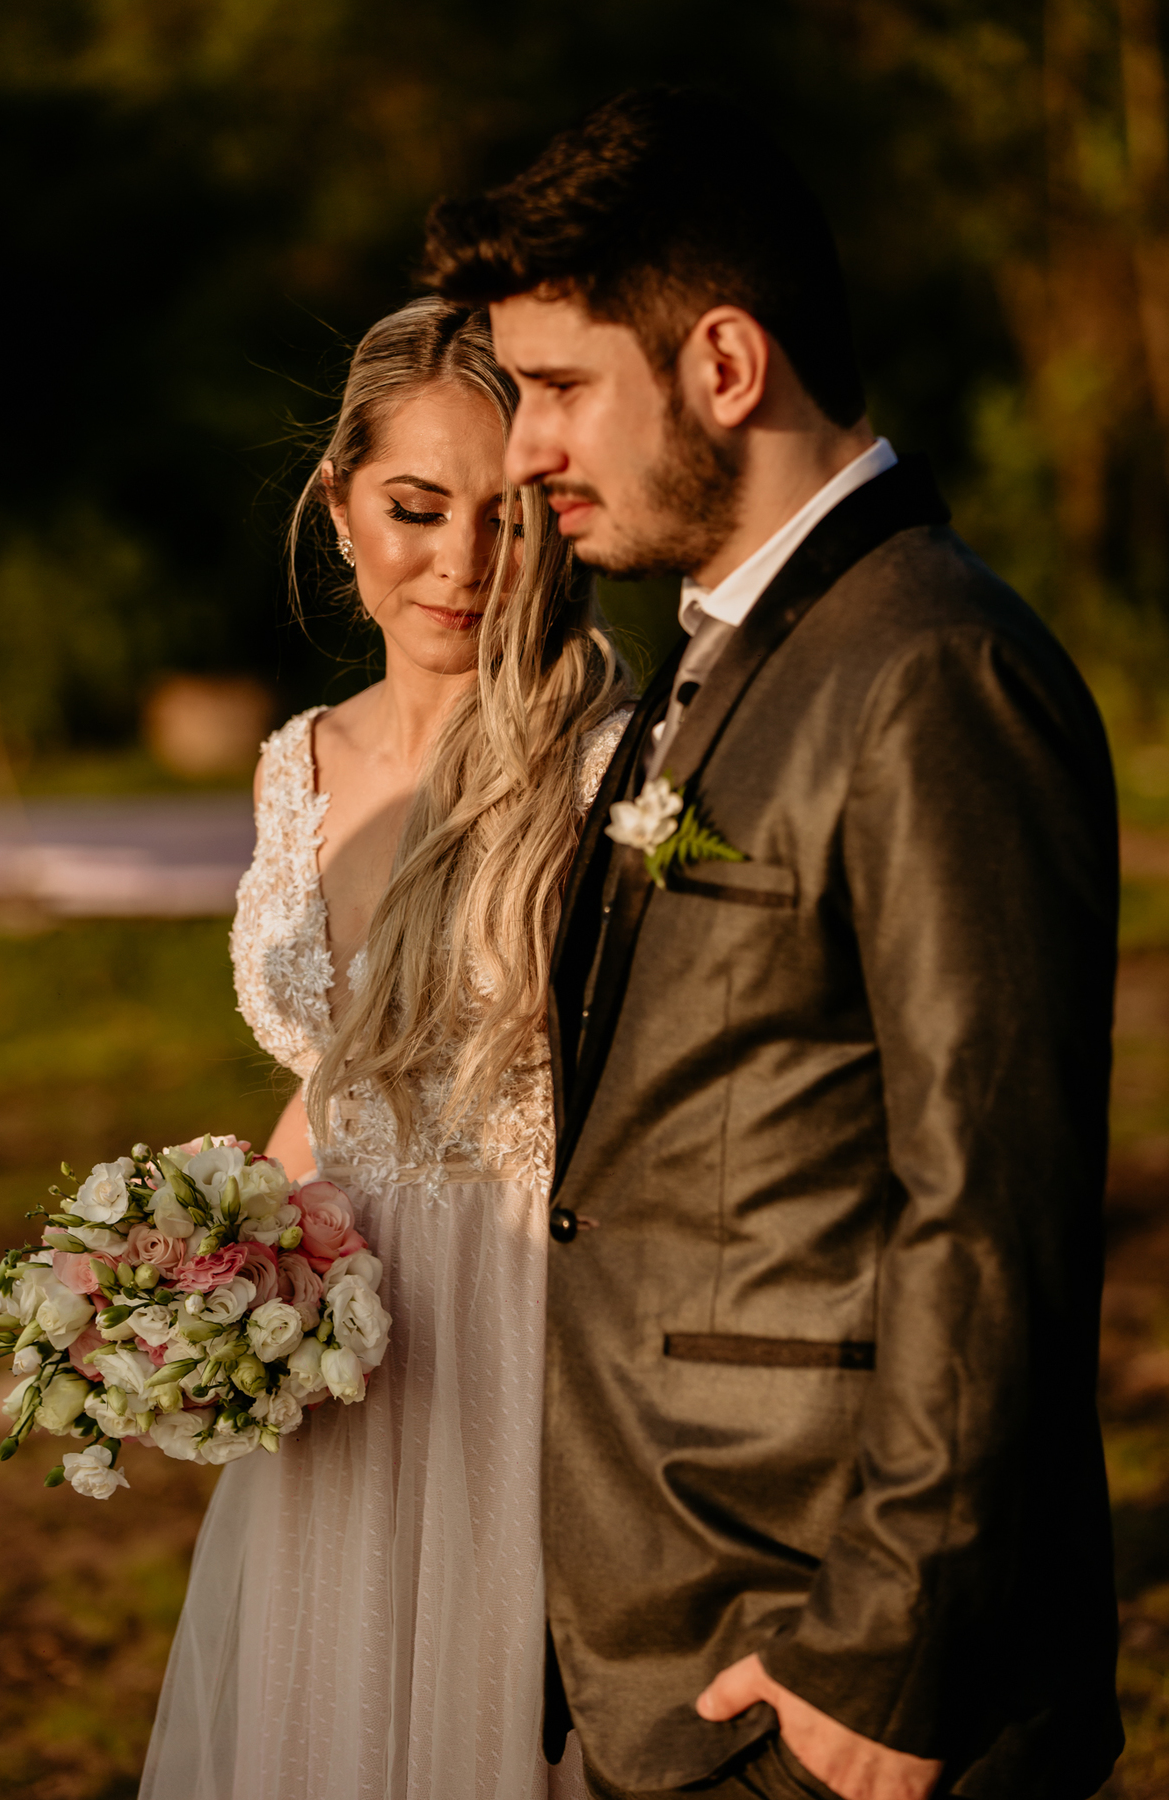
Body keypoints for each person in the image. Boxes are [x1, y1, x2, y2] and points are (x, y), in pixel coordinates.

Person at [423, 87, 1124, 1800]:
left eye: (561, 389)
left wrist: (885, 1655)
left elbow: (994, 1203)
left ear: (727, 365)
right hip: (666, 1634)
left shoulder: (931, 669)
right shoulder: (726, 652)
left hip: (826, 1665)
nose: (522, 450)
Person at [138, 298, 629, 1800]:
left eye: (509, 516)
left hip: (524, 1337)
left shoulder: (610, 764)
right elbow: (340, 1084)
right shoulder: (300, 762)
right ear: (340, 500)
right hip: (338, 1357)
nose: (463, 564)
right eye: (416, 508)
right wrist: (208, 1265)